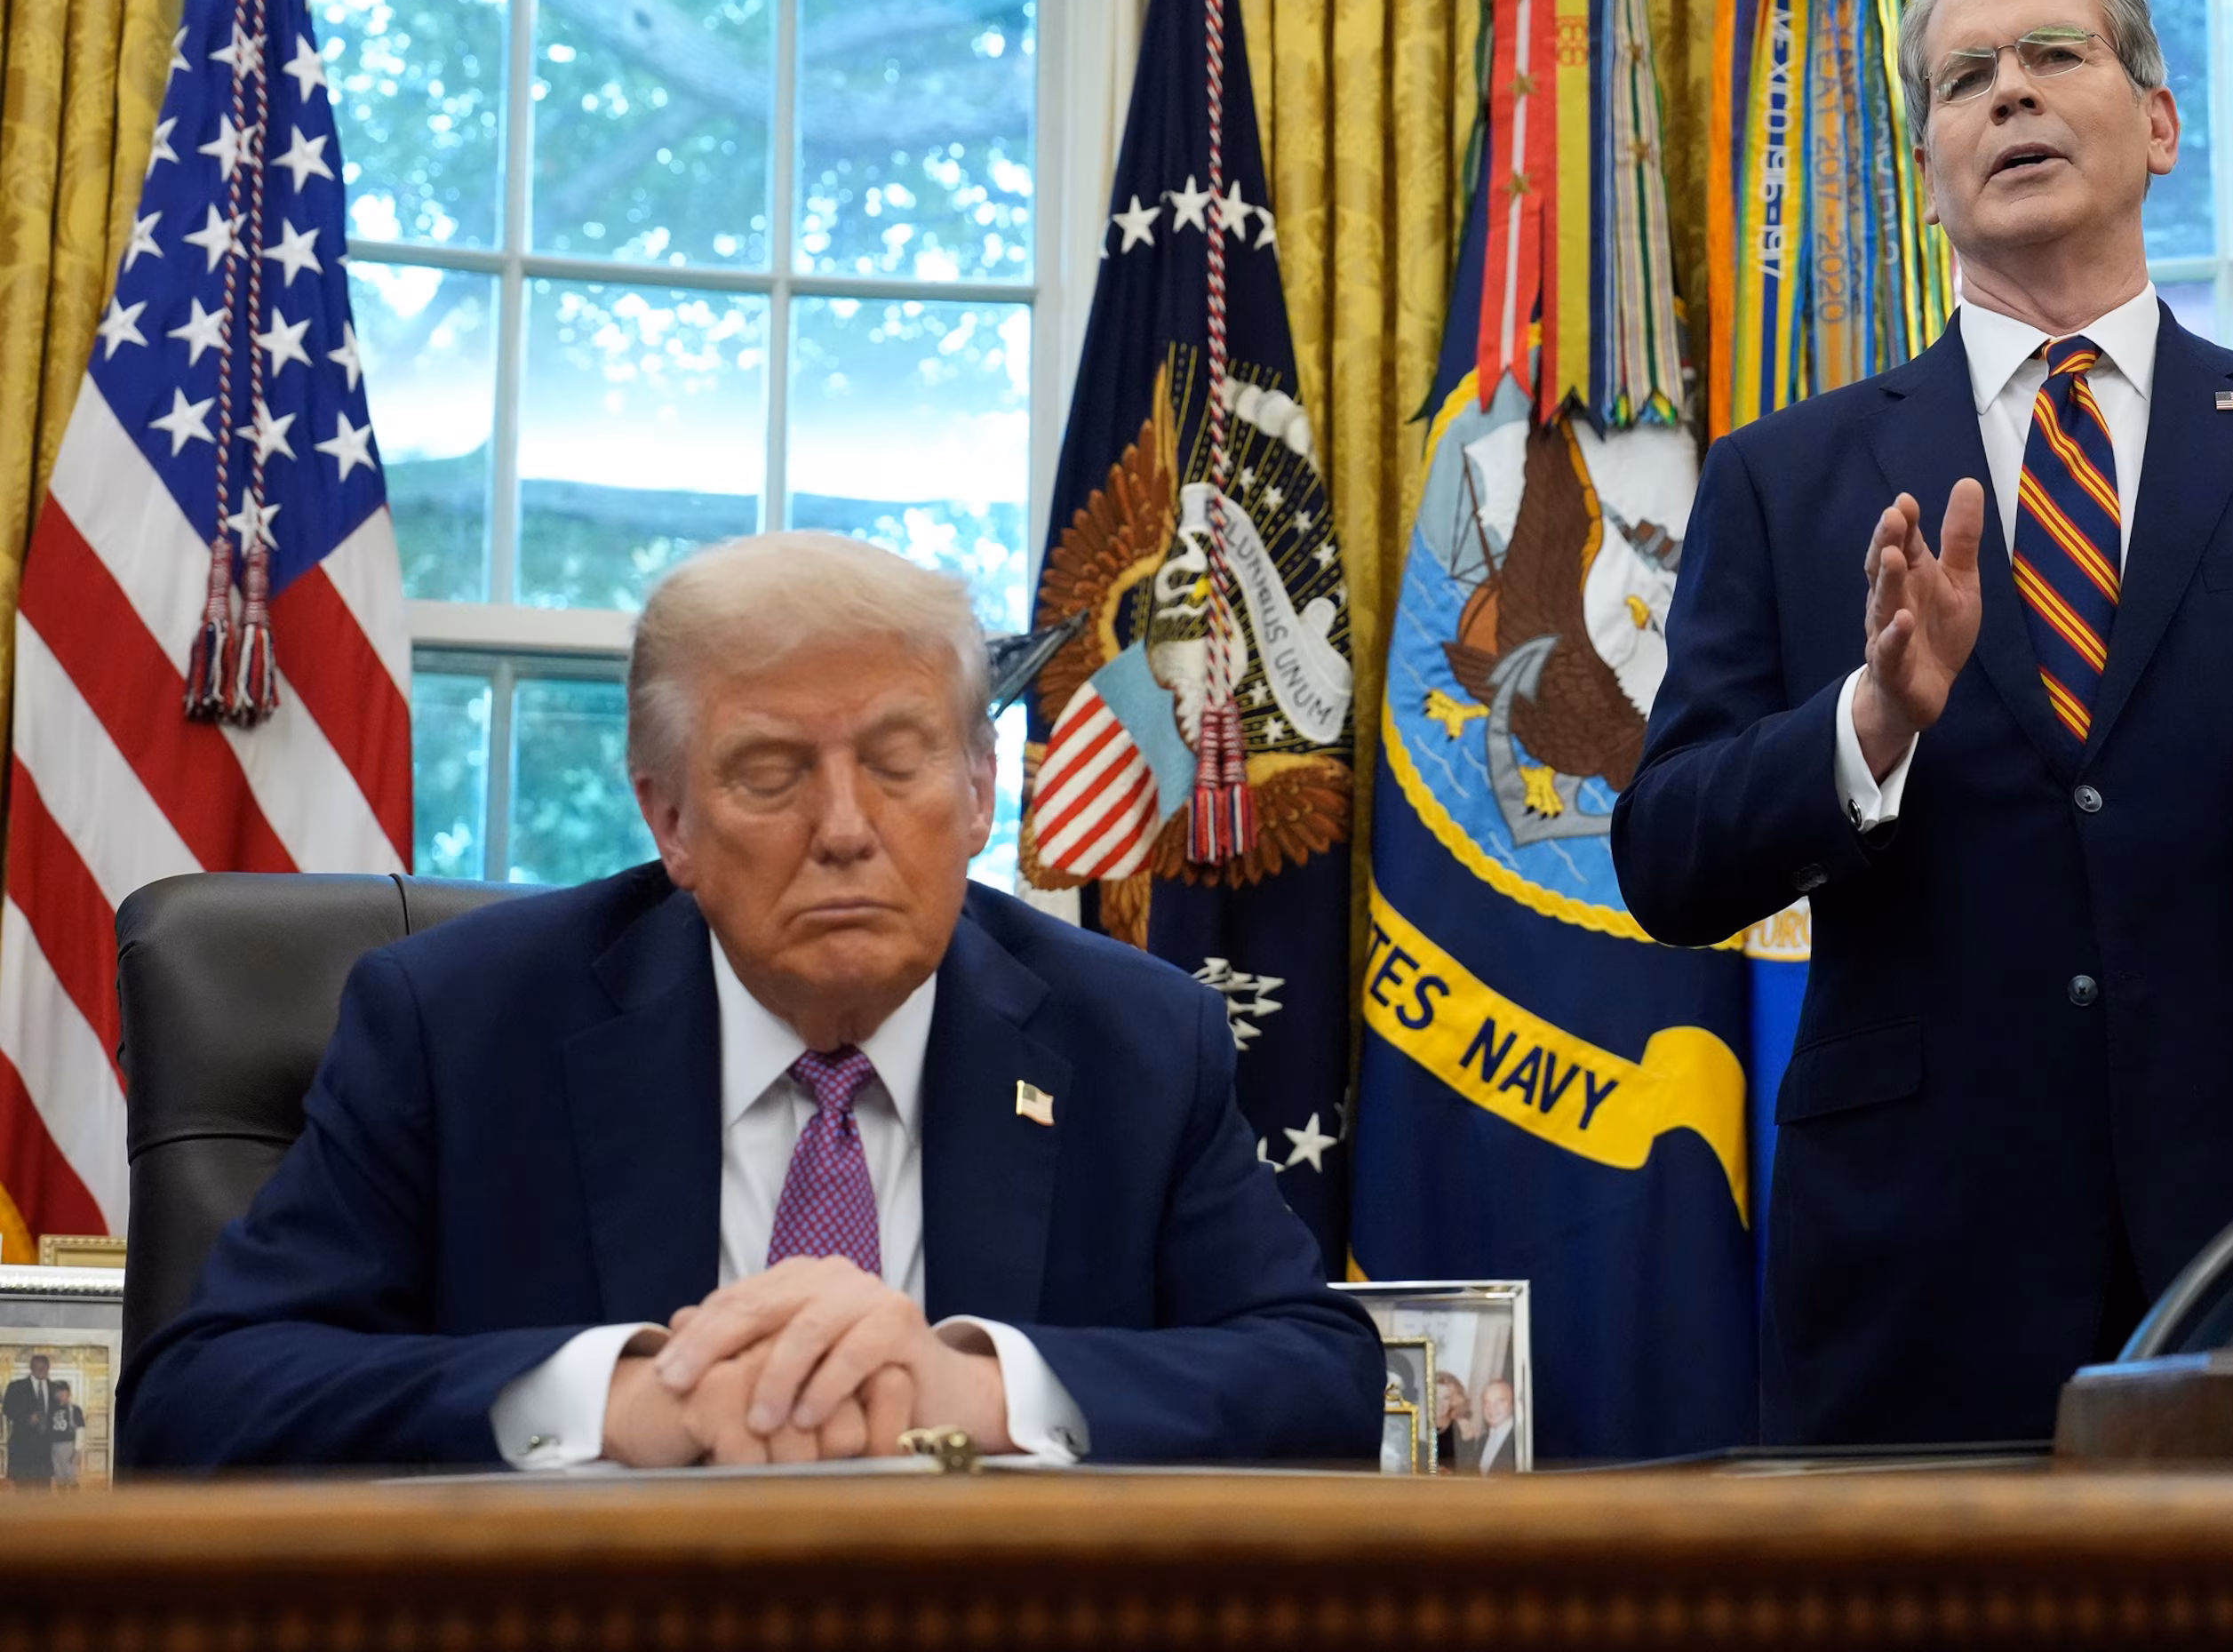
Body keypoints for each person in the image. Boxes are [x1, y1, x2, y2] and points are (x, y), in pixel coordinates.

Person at [1613, 0, 2233, 1448]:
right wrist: (1869, 724)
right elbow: (1665, 861)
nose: (2009, 95)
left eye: (2054, 55)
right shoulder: (1785, 479)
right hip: (1913, 1278)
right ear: (1927, 165)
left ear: (2157, 121)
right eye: (1964, 78)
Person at [124, 532, 1385, 1470]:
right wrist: (613, 1402)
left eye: (896, 764)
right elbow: (203, 1398)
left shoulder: (1135, 1040)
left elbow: (1320, 1383)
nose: (846, 830)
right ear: (669, 818)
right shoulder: (457, 1027)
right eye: (773, 775)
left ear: (980, 788)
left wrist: (971, 1386)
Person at [2, 1352, 50, 1488]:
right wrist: (26, 1418)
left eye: (44, 1367)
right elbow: (7, 1409)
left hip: (46, 1451)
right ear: (31, 1368)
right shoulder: (16, 1387)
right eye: (37, 1367)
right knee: (23, 1490)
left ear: (48, 1368)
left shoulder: (55, 1388)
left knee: (44, 1492)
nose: (40, 1370)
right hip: (23, 1447)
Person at [1472, 1379, 1518, 1475]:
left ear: (1512, 1405)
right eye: (1486, 1403)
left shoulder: (1521, 1441)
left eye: (1499, 1401)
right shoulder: (1482, 1440)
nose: (1491, 1408)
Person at [48, 1379, 82, 1488]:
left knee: (71, 1475)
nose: (61, 1394)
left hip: (68, 1445)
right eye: (57, 1392)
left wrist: (77, 1451)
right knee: (59, 1476)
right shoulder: (50, 1409)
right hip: (53, 1445)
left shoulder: (74, 1409)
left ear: (69, 1393)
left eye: (63, 1391)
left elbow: (81, 1430)